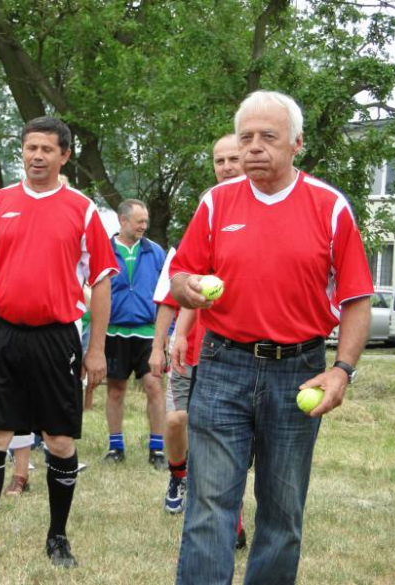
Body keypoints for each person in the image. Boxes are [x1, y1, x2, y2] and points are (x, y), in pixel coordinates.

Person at [170, 90, 373, 584]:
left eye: (268, 137)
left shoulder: (329, 207)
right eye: (246, 138)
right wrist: (188, 289)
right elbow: (181, 274)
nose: (254, 148)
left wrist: (341, 369)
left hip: (298, 372)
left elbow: (357, 299)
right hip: (221, 365)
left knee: (283, 513)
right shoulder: (216, 203)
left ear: (296, 143)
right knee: (209, 506)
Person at [0, 116, 117, 570]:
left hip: (57, 338)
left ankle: (58, 538)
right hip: (2, 333)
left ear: (64, 155)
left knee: (60, 440)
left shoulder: (83, 209)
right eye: (30, 148)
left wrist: (97, 349)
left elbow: (102, 283)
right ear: (22, 151)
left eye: (47, 149)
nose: (37, 157)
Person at [150, 134, 245, 531]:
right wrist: (167, 341)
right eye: (219, 160)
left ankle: (231, 517)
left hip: (232, 350)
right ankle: (178, 476)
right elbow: (173, 296)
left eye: (233, 159)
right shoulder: (203, 218)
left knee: (217, 433)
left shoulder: (253, 225)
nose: (226, 166)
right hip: (191, 346)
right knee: (175, 423)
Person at [103, 199, 167, 468]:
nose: (144, 226)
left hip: (147, 332)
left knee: (153, 386)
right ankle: (116, 447)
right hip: (113, 332)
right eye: (139, 221)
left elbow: (166, 295)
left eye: (146, 221)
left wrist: (167, 334)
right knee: (116, 389)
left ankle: (158, 450)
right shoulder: (103, 250)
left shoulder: (155, 252)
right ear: (123, 220)